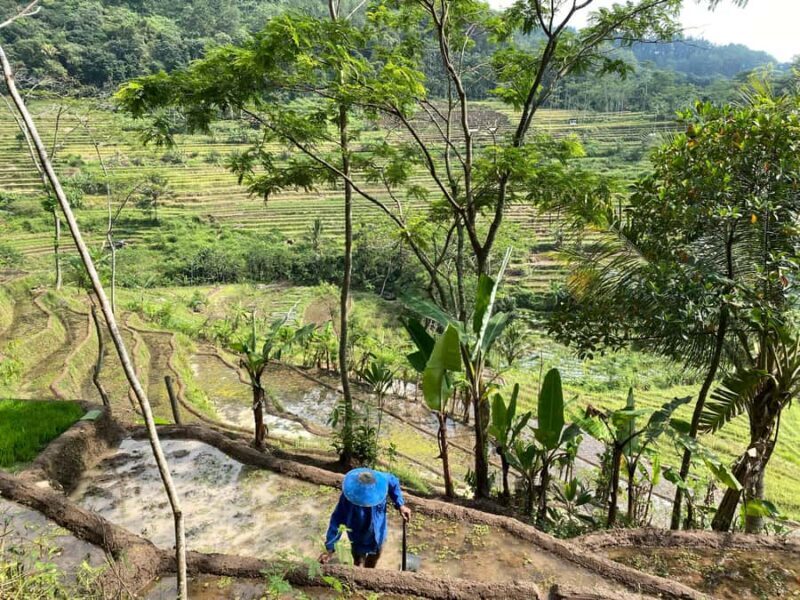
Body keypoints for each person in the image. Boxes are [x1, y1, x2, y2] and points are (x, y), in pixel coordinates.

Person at [318, 467, 411, 568]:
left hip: (378, 534)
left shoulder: (382, 480)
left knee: (374, 558)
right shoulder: (349, 497)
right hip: (358, 536)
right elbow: (337, 520)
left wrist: (401, 505)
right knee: (358, 561)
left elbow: (394, 482)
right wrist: (330, 548)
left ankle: (369, 570)